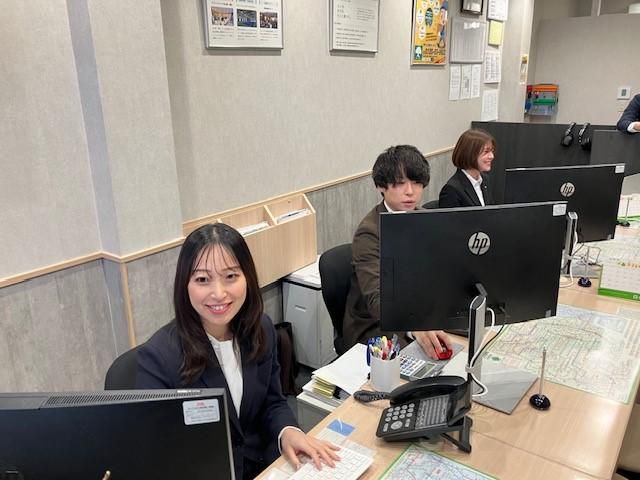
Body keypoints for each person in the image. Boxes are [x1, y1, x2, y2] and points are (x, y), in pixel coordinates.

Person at [136, 223, 339, 480]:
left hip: (264, 468)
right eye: (202, 279)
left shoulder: (261, 329)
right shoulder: (158, 358)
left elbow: (273, 402)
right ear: (184, 285)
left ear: (247, 277)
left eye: (231, 276)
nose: (219, 293)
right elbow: (158, 454)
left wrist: (289, 431)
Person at [342, 145, 452, 360]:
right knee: (423, 360)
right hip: (375, 324)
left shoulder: (425, 218)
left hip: (418, 311)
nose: (410, 191)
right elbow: (377, 299)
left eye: (417, 182)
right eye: (400, 183)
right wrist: (415, 327)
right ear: (381, 186)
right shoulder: (370, 232)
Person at [439, 129, 496, 208]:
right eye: (486, 152)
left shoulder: (485, 180)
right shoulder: (451, 190)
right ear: (470, 153)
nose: (492, 156)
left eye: (492, 151)